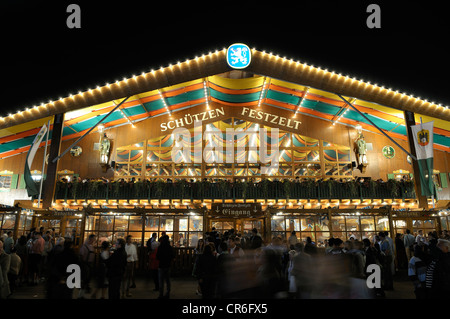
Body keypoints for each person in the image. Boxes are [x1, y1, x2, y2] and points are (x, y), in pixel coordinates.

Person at [156, 235, 174, 299]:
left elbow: (157, 256)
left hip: (161, 265)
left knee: (161, 281)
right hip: (168, 265)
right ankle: (167, 293)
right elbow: (172, 256)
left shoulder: (160, 247)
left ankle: (161, 294)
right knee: (168, 280)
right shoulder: (170, 247)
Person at [78, 234, 96, 298]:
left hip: (90, 264)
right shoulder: (84, 246)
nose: (95, 240)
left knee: (87, 280)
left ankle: (82, 294)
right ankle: (80, 295)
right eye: (94, 239)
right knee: (84, 280)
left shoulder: (91, 246)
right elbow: (81, 256)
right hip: (85, 265)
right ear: (91, 239)